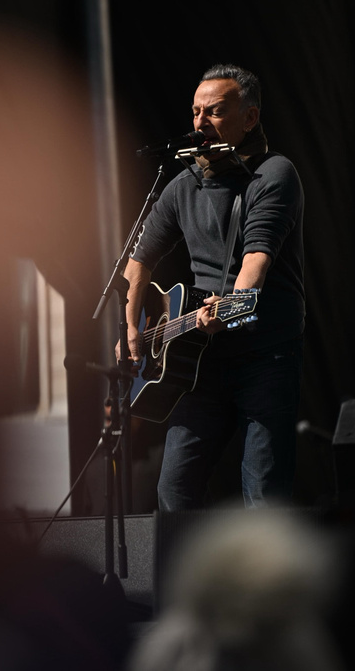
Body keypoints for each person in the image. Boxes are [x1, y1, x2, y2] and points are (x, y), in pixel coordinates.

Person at [117, 64, 305, 509]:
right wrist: (130, 329)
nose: (200, 123)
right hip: (202, 357)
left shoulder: (273, 174)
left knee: (262, 490)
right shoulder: (183, 184)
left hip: (266, 350)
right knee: (174, 489)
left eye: (215, 111)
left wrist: (235, 307)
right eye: (196, 112)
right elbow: (137, 262)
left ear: (250, 117)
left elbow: (257, 257)